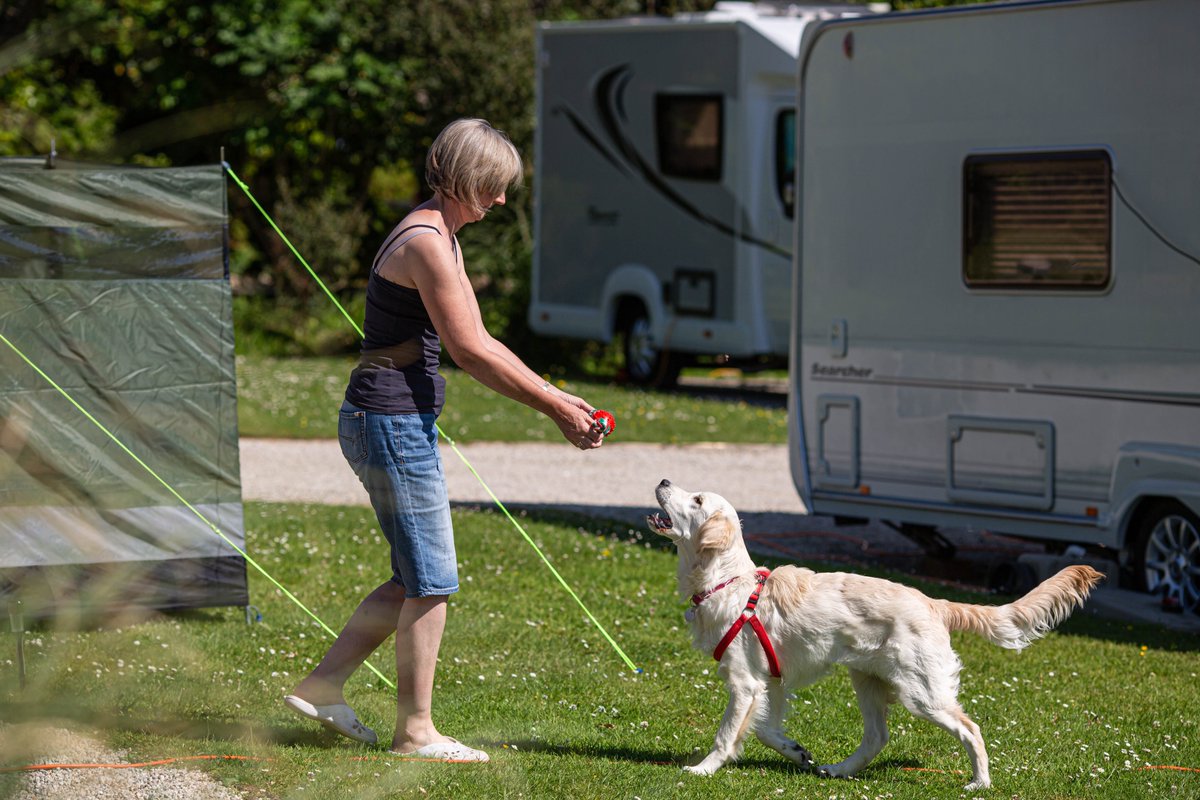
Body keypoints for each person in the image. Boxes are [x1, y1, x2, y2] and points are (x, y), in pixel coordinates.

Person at [284, 119, 606, 762]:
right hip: (391, 424)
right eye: (494, 186)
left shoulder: (441, 234)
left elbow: (482, 339)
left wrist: (558, 396)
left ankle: (322, 687)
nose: (502, 201)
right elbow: (466, 352)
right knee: (432, 581)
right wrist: (551, 410)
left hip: (393, 422)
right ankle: (416, 733)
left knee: (411, 577)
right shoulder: (428, 242)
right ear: (463, 177)